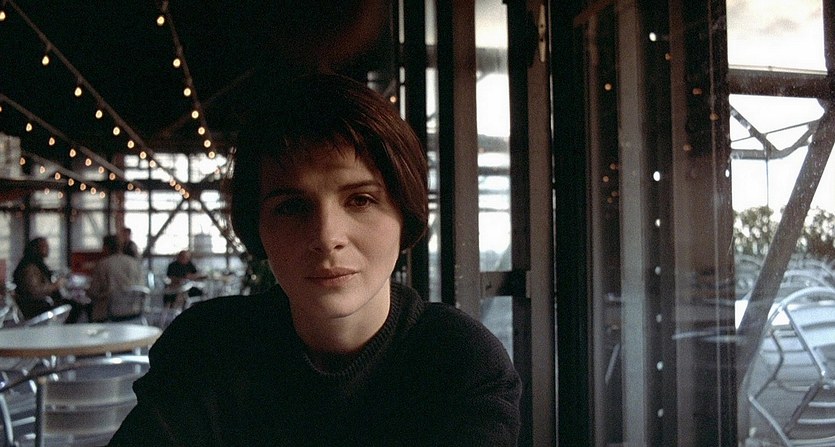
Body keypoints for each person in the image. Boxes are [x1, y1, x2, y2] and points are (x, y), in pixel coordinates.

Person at [109, 73, 521, 446]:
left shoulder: (459, 362)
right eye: (291, 207)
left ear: (405, 214)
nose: (326, 238)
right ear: (257, 228)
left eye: (361, 200)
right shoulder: (206, 349)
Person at [11, 237, 78, 321]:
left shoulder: (38, 264)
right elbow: (35, 291)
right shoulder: (30, 267)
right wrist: (55, 286)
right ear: (35, 248)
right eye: (44, 246)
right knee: (74, 306)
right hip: (36, 306)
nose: (48, 249)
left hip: (41, 303)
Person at [86, 234, 145, 322]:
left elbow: (93, 292)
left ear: (106, 247)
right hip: (134, 310)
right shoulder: (135, 263)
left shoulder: (103, 265)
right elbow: (141, 287)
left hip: (108, 313)